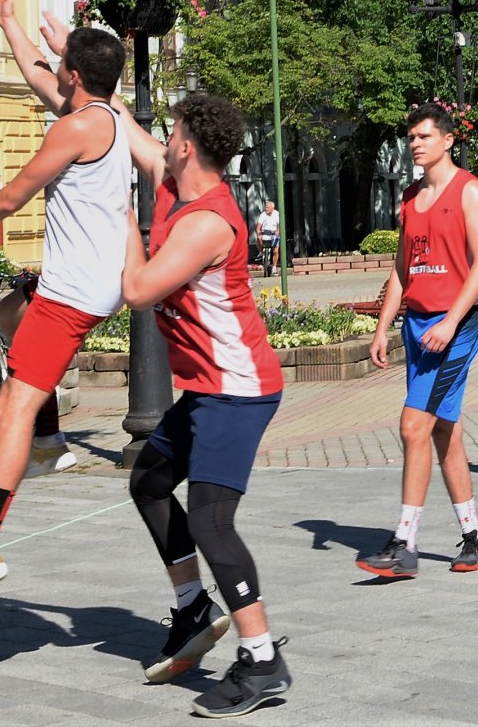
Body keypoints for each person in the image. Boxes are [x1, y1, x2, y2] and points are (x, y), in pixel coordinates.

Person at [0, 0, 131, 606]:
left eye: (61, 61)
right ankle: (48, 442)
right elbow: (38, 73)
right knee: (8, 314)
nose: (52, 69)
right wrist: (9, 22)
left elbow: (12, 196)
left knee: (12, 402)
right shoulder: (104, 114)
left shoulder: (73, 127)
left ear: (75, 73)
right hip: (87, 285)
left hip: (73, 294)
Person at [118, 92, 292, 717]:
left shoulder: (205, 222)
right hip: (208, 390)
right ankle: (193, 604)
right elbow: (122, 126)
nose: (162, 142)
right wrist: (54, 56)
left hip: (238, 389)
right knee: (149, 480)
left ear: (187, 146)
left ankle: (262, 658)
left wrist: (116, 217)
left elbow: (138, 290)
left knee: (213, 520)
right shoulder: (179, 187)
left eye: (172, 134)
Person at [357, 103, 478, 579]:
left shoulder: (471, 192)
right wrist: (382, 326)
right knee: (443, 431)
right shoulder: (410, 198)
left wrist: (450, 321)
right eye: (411, 136)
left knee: (413, 426)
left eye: (423, 136)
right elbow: (402, 268)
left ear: (448, 140)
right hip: (417, 327)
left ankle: (404, 543)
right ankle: (474, 539)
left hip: (455, 328)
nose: (415, 143)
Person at [255, 200, 280, 279]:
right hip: (265, 233)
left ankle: (274, 267)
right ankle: (261, 252)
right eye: (266, 207)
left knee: (275, 250)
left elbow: (279, 225)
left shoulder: (277, 214)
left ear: (272, 208)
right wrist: (258, 230)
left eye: (268, 207)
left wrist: (278, 231)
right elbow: (259, 226)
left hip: (273, 233)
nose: (266, 209)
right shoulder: (263, 215)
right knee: (258, 238)